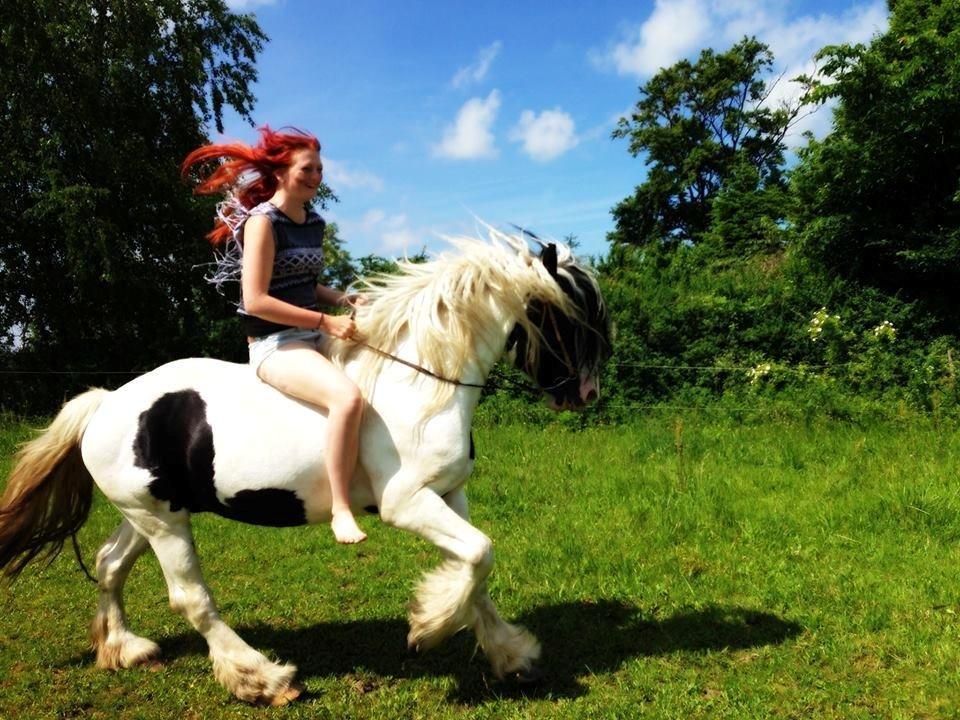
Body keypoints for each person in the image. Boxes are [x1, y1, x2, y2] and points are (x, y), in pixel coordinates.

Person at [182, 126, 367, 544]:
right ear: (282, 171)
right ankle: (340, 507)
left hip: (312, 334)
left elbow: (307, 284)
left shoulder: (313, 222)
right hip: (275, 344)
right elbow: (257, 299)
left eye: (320, 168)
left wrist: (346, 298)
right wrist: (326, 322)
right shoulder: (263, 222)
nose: (316, 175)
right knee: (347, 397)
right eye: (307, 168)